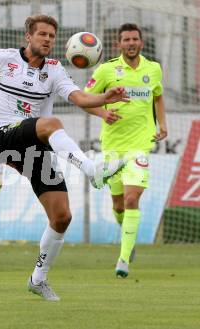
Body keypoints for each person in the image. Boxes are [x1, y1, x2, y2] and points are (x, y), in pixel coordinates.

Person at [0, 14, 128, 301]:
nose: (47, 40)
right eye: (42, 34)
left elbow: (79, 98)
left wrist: (104, 98)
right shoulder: (3, 58)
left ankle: (37, 279)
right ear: (28, 37)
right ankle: (91, 169)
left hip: (34, 144)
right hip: (2, 137)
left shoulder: (54, 70)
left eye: (52, 36)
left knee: (62, 216)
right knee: (51, 123)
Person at [84, 23, 167, 278]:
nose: (131, 43)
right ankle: (125, 234)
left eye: (135, 39)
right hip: (113, 148)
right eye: (126, 40)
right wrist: (103, 112)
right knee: (119, 203)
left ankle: (123, 259)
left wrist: (162, 124)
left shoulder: (153, 69)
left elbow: (158, 96)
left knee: (132, 199)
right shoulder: (107, 70)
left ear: (141, 43)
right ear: (118, 44)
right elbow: (85, 99)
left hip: (140, 145)